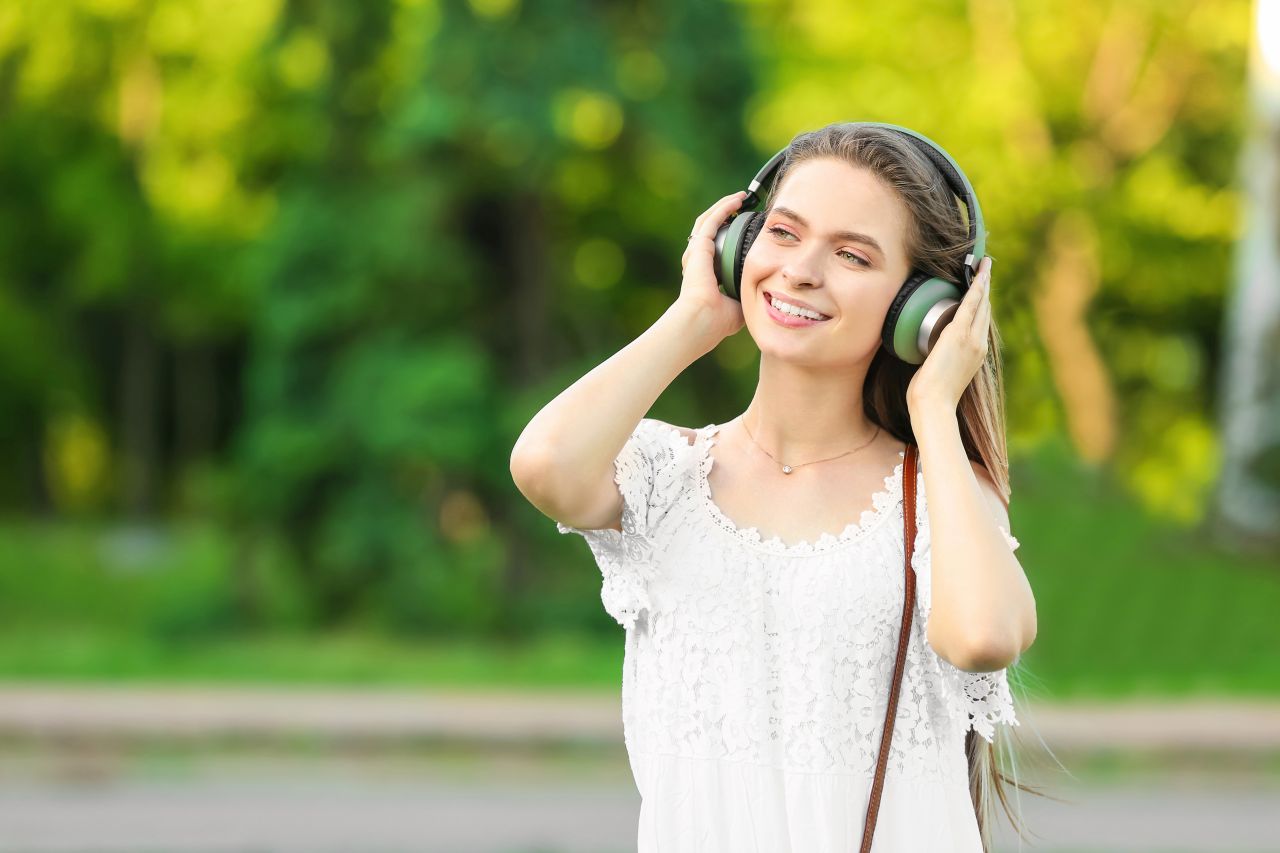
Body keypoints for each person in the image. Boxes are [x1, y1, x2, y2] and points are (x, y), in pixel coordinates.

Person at [510, 122, 1044, 852]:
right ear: (736, 247)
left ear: (920, 309)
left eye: (852, 254)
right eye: (784, 234)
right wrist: (696, 316)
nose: (800, 271)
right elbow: (543, 464)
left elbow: (983, 635)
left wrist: (934, 405)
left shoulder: (938, 493)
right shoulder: (667, 476)